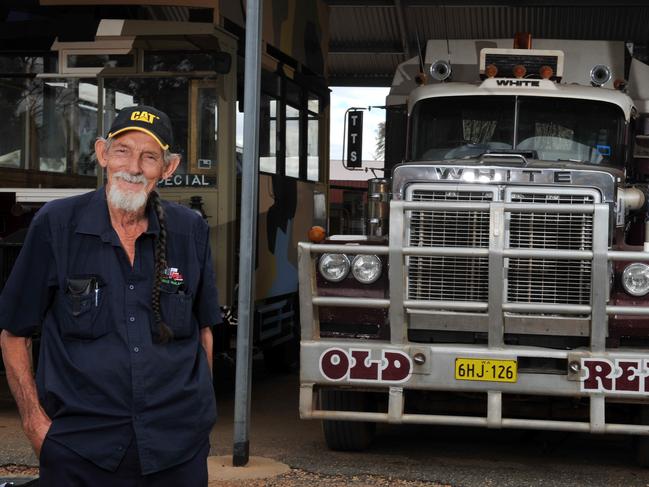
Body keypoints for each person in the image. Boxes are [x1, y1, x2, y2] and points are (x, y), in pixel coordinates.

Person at [0, 105, 221, 486]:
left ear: (168, 168)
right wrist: (36, 423)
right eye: (122, 150)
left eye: (149, 156)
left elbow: (203, 333)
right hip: (80, 451)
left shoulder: (190, 232)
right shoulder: (56, 224)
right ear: (102, 154)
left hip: (176, 450)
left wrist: (198, 416)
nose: (133, 166)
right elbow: (14, 333)